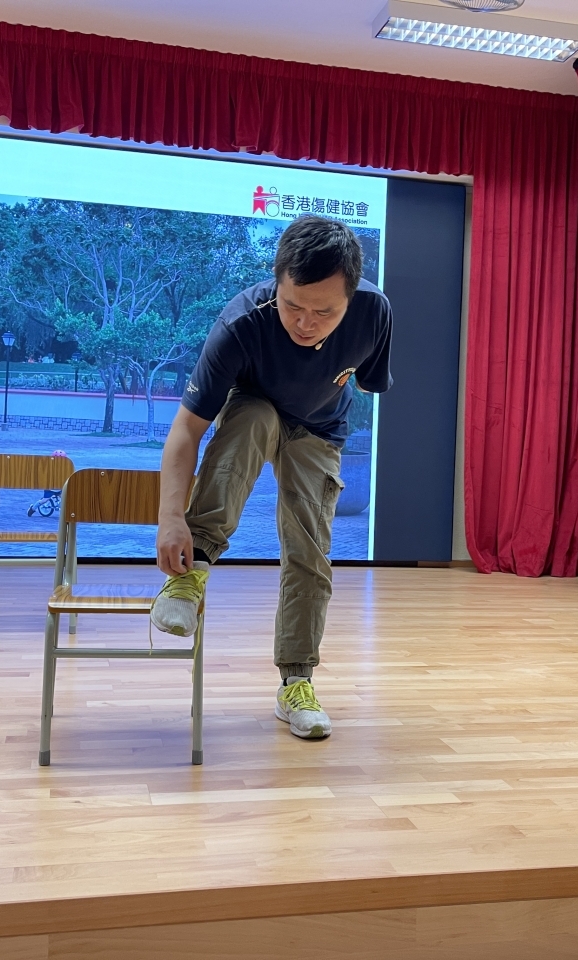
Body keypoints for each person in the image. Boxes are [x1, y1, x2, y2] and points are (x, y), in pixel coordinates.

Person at [150, 216, 393, 741]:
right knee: (253, 419)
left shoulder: (375, 312)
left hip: (320, 429)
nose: (305, 323)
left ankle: (296, 683)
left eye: (324, 312)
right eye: (292, 306)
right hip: (254, 408)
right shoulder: (242, 323)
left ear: (351, 297)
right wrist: (171, 519)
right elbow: (186, 430)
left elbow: (365, 381)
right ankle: (190, 574)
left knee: (310, 551)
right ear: (276, 281)